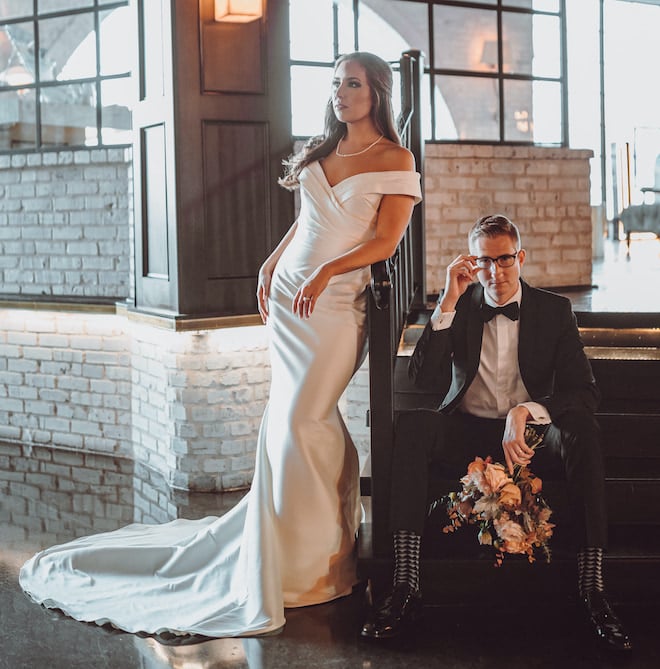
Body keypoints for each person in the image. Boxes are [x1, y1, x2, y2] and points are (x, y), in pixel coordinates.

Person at [18, 52, 421, 638]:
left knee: (305, 417)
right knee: (293, 417)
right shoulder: (323, 147)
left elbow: (384, 242)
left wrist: (325, 273)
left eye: (352, 84)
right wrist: (271, 262)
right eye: (334, 83)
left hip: (333, 307)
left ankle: (315, 557)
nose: (340, 93)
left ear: (378, 92)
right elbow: (306, 220)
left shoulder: (395, 158)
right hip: (289, 299)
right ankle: (308, 548)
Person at [360, 214, 632, 653]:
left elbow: (585, 391)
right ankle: (406, 583)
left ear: (520, 257)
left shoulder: (553, 311)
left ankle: (592, 587)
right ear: (473, 263)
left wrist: (526, 410)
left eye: (504, 260)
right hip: (466, 434)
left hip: (530, 441)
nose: (495, 272)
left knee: (583, 428)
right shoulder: (462, 306)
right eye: (485, 262)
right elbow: (424, 378)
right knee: (411, 423)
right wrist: (447, 301)